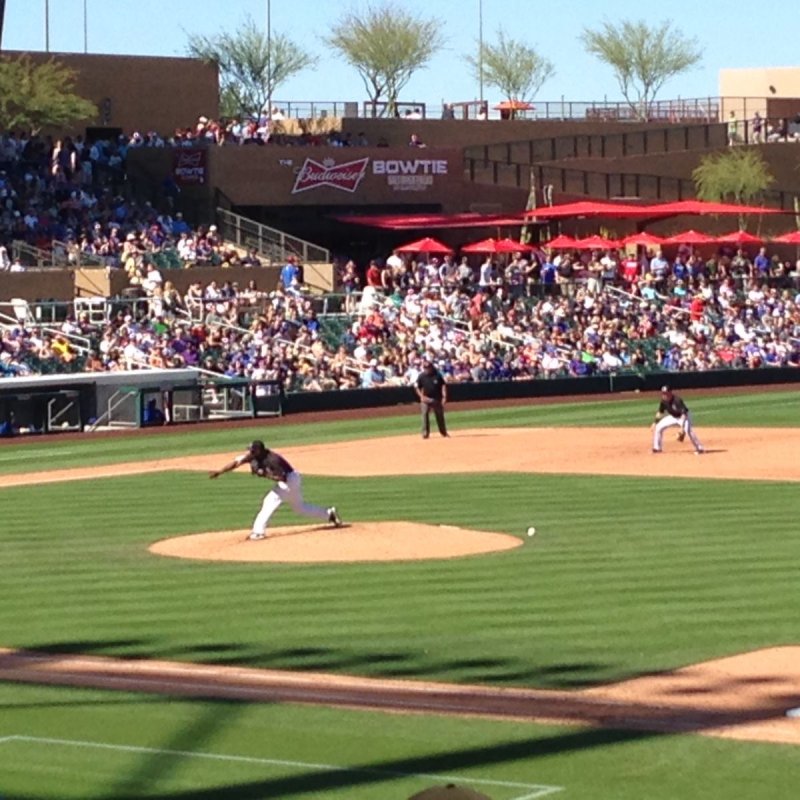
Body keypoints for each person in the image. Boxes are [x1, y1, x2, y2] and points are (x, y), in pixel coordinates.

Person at [209, 440, 342, 540]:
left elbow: (281, 477)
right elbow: (236, 463)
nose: (249, 453)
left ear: (258, 451)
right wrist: (219, 472)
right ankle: (329, 514)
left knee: (269, 501)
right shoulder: (253, 456)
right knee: (300, 508)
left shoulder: (273, 460)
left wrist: (264, 474)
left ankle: (258, 532)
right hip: (293, 479)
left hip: (289, 480)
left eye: (252, 451)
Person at [651, 385, 704, 454]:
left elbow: (683, 414)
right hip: (673, 416)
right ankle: (657, 448)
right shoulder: (663, 401)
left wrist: (682, 427)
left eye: (666, 393)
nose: (664, 395)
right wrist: (655, 422)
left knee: (688, 430)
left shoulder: (677, 400)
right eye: (663, 393)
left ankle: (699, 448)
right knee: (658, 427)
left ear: (670, 392)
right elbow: (660, 412)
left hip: (685, 416)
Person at [415, 360, 449, 439]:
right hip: (426, 399)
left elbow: (443, 385)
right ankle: (425, 434)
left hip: (437, 399)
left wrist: (444, 396)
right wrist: (421, 397)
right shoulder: (421, 376)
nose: (426, 369)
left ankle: (443, 432)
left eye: (428, 367)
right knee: (425, 415)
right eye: (425, 368)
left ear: (431, 367)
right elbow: (417, 387)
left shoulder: (437, 375)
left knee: (440, 416)